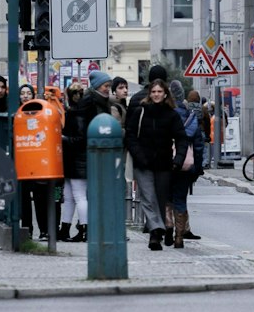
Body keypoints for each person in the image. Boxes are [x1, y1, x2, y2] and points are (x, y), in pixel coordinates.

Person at [125, 78, 183, 250]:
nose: (156, 95)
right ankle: (156, 231)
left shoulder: (172, 115)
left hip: (164, 164)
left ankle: (156, 232)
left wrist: (178, 159)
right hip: (143, 162)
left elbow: (181, 138)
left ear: (165, 93)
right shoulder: (140, 112)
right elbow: (130, 136)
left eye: (159, 91)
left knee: (159, 199)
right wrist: (138, 155)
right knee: (148, 198)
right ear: (149, 94)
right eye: (153, 92)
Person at [59, 71, 113, 242]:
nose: (108, 89)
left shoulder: (86, 105)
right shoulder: (97, 103)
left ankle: (85, 230)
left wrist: (63, 138)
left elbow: (81, 136)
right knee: (70, 194)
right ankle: (66, 228)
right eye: (106, 86)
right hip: (79, 155)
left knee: (78, 195)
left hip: (78, 155)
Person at [167, 79, 204, 244]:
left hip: (166, 163)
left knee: (167, 198)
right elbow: (199, 145)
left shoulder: (166, 115)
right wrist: (197, 167)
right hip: (186, 164)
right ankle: (179, 237)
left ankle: (168, 228)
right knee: (181, 199)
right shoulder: (191, 117)